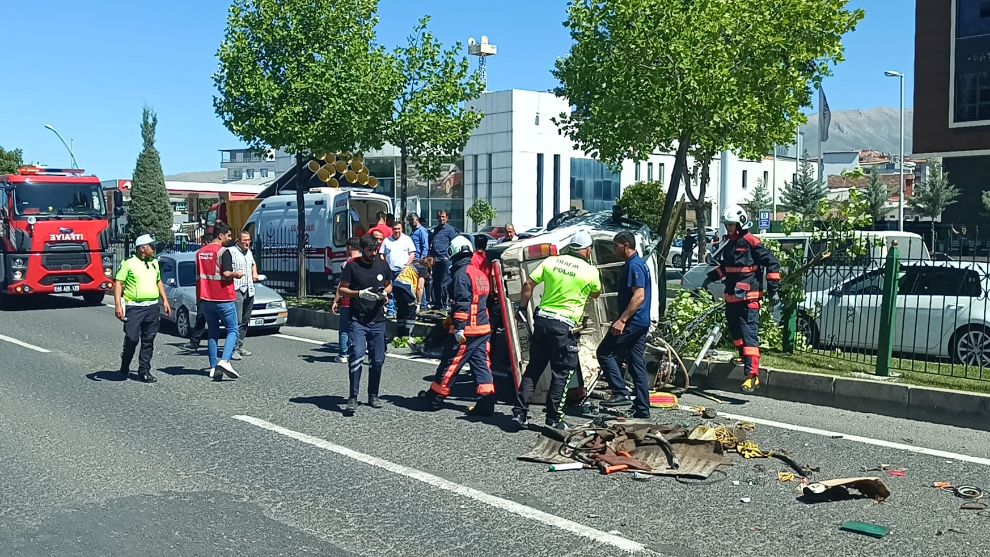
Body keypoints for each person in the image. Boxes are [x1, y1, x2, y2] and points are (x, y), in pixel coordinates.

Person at [511, 231, 603, 430]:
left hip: (543, 321)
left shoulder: (552, 262)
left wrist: (521, 308)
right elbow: (596, 294)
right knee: (561, 373)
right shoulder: (590, 272)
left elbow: (528, 284)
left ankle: (519, 414)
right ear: (587, 251)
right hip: (564, 326)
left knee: (534, 368)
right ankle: (553, 419)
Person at [703, 205, 780, 392]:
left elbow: (772, 263)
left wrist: (773, 289)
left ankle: (752, 376)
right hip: (732, 298)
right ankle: (742, 356)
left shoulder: (751, 241)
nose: (728, 228)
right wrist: (710, 277)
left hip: (749, 299)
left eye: (731, 224)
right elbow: (727, 268)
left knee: (748, 335)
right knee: (735, 333)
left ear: (740, 223)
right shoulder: (728, 244)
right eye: (727, 225)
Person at [421, 236, 496, 415]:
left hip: (467, 330)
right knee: (481, 364)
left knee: (450, 363)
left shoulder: (460, 274)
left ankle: (435, 398)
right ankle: (487, 402)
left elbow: (462, 302)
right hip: (483, 328)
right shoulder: (478, 273)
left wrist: (460, 327)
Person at [596, 232, 652, 418]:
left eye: (616, 245)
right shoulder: (638, 264)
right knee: (636, 363)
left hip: (633, 322)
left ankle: (620, 392)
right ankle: (642, 408)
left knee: (604, 352)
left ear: (625, 245)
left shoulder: (634, 265)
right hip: (641, 322)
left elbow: (639, 296)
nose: (614, 249)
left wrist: (622, 320)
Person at [337, 235, 393, 415]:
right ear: (362, 250)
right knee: (357, 355)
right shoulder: (352, 266)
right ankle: (352, 397)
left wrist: (384, 292)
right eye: (370, 250)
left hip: (377, 320)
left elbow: (389, 284)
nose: (373, 253)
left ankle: (373, 395)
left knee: (378, 359)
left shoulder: (382, 264)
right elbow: (342, 289)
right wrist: (359, 293)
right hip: (358, 320)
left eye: (375, 249)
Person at [114, 234, 171, 383]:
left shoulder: (154, 263)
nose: (154, 249)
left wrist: (164, 300)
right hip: (134, 307)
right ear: (142, 248)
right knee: (132, 338)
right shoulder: (128, 263)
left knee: (148, 339)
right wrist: (118, 305)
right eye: (151, 246)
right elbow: (119, 283)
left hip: (151, 306)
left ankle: (144, 370)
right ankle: (125, 365)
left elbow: (158, 281)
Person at [196, 222, 243, 381]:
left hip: (206, 298)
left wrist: (199, 300)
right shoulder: (224, 252)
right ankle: (225, 361)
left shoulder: (200, 252)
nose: (230, 238)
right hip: (223, 297)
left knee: (213, 332)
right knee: (233, 330)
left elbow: (198, 278)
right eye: (228, 235)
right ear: (220, 235)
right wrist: (237, 274)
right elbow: (227, 272)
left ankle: (213, 366)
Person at [332, 237, 362, 364]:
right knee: (358, 328)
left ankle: (343, 354)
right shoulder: (365, 262)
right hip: (361, 301)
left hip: (347, 301)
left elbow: (342, 285)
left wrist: (336, 300)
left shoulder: (347, 264)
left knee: (345, 328)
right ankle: (357, 352)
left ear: (349, 247)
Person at [230, 230, 259, 360]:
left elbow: (253, 263)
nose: (247, 243)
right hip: (237, 289)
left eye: (249, 240)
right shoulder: (231, 251)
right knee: (237, 321)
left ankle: (240, 346)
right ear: (238, 241)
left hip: (249, 289)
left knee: (246, 320)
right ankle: (232, 349)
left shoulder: (249, 252)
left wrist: (255, 273)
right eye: (245, 240)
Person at [182, 233, 213, 352]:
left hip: (204, 291)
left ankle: (196, 342)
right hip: (205, 291)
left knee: (202, 317)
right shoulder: (201, 254)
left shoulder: (200, 254)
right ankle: (195, 342)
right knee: (202, 318)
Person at [392, 257, 434, 337]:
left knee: (401, 310)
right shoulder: (423, 269)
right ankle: (408, 335)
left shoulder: (413, 265)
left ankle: (400, 334)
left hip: (396, 285)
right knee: (411, 311)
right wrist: (418, 303)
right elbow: (420, 287)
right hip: (406, 287)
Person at [383, 222, 416, 317]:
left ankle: (401, 310)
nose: (397, 231)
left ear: (402, 229)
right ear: (392, 229)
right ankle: (391, 310)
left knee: (401, 292)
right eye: (395, 229)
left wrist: (407, 265)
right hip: (389, 270)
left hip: (403, 271)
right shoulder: (386, 240)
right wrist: (385, 266)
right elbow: (382, 254)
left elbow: (412, 253)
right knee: (390, 291)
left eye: (399, 229)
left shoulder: (407, 239)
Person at [429, 210, 459, 309]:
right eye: (439, 217)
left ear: (446, 218)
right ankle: (437, 303)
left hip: (445, 260)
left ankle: (445, 303)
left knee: (445, 283)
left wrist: (449, 256)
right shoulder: (435, 230)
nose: (441, 219)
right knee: (436, 283)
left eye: (443, 217)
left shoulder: (450, 230)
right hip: (435, 260)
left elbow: (454, 243)